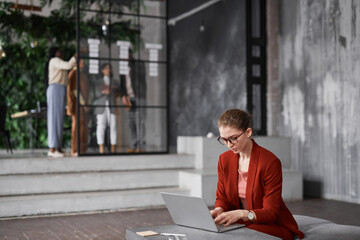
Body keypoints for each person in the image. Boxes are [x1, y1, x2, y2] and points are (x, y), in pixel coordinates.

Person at [210, 109, 304, 240]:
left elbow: (271, 212)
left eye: (233, 138)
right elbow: (222, 196)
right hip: (241, 222)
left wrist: (242, 214)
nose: (229, 145)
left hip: (271, 224)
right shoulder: (224, 159)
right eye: (224, 140)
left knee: (238, 235)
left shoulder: (270, 162)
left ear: (248, 132)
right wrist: (219, 209)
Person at [45, 47, 76, 158]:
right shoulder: (54, 60)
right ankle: (52, 149)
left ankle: (58, 147)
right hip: (55, 88)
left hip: (60, 89)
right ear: (54, 53)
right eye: (59, 51)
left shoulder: (59, 62)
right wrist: (75, 56)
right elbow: (68, 65)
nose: (61, 52)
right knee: (54, 118)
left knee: (59, 119)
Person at [120, 50, 147, 152]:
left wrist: (130, 65)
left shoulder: (139, 64)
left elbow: (140, 76)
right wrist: (123, 95)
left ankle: (141, 146)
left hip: (139, 96)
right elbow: (122, 84)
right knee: (130, 122)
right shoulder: (123, 67)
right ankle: (133, 145)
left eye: (127, 55)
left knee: (139, 121)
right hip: (128, 98)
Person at [67, 59, 90, 156]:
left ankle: (82, 149)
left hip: (83, 105)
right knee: (77, 127)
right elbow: (74, 91)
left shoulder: (82, 75)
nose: (83, 63)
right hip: (78, 105)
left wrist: (87, 103)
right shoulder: (73, 73)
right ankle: (75, 150)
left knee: (84, 128)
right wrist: (83, 103)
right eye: (81, 61)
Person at [94, 63, 118, 153]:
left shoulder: (114, 81)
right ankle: (101, 147)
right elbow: (96, 94)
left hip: (111, 105)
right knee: (101, 126)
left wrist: (111, 89)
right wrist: (104, 91)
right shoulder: (98, 82)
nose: (108, 70)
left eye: (109, 68)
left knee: (113, 125)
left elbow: (118, 90)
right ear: (102, 70)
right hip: (101, 106)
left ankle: (113, 147)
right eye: (106, 68)